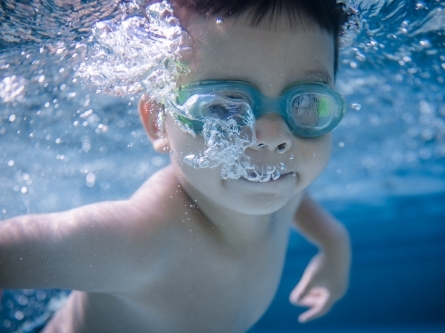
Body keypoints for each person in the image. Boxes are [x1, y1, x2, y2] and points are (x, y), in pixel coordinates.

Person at [0, 0, 352, 332]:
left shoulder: (276, 179)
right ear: (158, 120)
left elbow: (294, 197)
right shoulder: (143, 242)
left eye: (307, 101)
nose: (275, 137)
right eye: (221, 107)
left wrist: (334, 243)